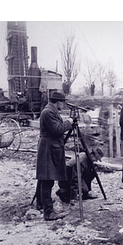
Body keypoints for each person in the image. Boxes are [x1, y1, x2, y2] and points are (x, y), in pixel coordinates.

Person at [36, 91, 73, 221]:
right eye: (63, 102)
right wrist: (69, 122)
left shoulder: (50, 111)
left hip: (50, 147)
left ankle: (40, 204)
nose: (63, 105)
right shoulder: (48, 112)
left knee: (44, 178)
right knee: (47, 179)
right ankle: (48, 212)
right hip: (48, 149)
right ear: (58, 102)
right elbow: (57, 130)